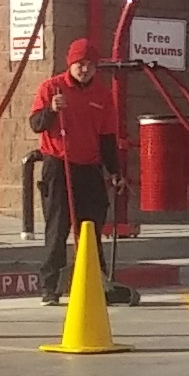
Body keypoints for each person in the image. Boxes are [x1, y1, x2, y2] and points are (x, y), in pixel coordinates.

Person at [30, 37, 123, 303]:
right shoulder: (52, 88)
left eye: (90, 65)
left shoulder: (102, 96)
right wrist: (51, 110)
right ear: (70, 64)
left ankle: (96, 281)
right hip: (59, 165)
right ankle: (50, 286)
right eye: (80, 64)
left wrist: (113, 171)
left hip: (89, 167)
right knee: (57, 227)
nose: (85, 70)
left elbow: (107, 137)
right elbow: (36, 124)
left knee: (91, 227)